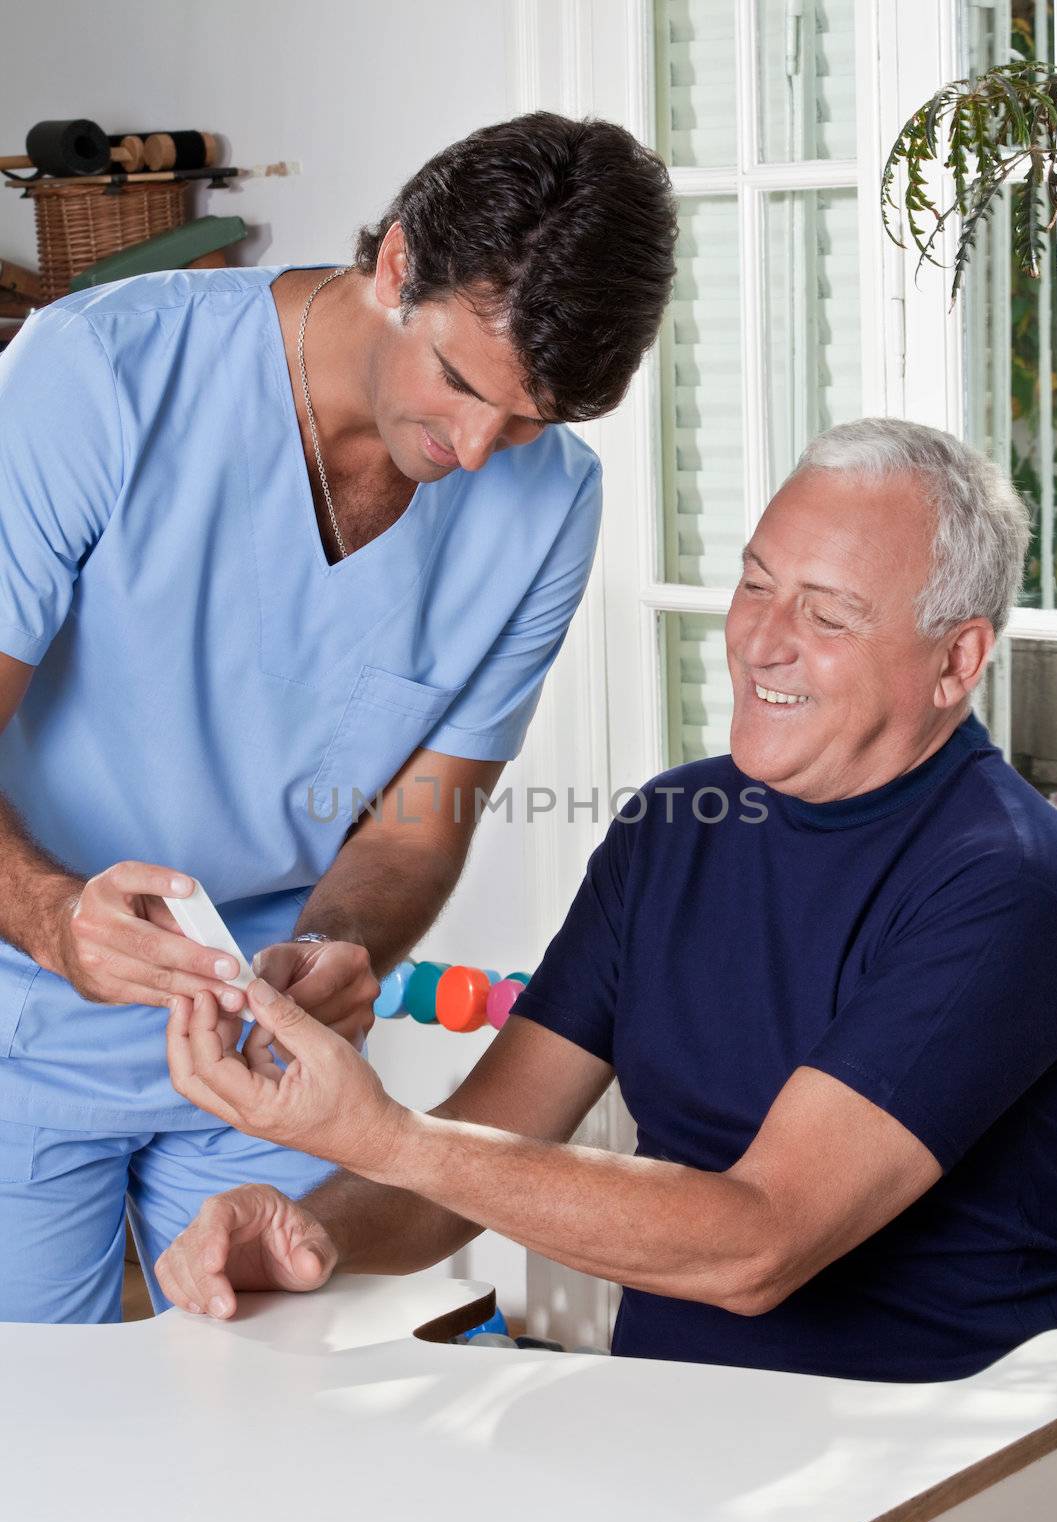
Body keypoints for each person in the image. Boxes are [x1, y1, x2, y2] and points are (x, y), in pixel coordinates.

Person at [160, 418, 1057, 1383]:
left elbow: (757, 1246)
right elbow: (475, 1152)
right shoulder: (676, 825)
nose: (761, 642)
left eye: (828, 616)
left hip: (922, 1476)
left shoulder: (1010, 886)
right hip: (654, 1429)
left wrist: (376, 1133)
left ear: (957, 661)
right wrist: (307, 1231)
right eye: (755, 584)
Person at [0, 112, 677, 1324]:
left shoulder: (551, 508)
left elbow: (414, 829)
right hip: (20, 1019)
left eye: (528, 420)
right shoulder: (93, 376)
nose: (476, 451)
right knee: (33, 1452)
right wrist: (55, 921)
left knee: (267, 1441)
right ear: (395, 265)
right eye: (462, 384)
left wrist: (342, 944)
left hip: (265, 1057)